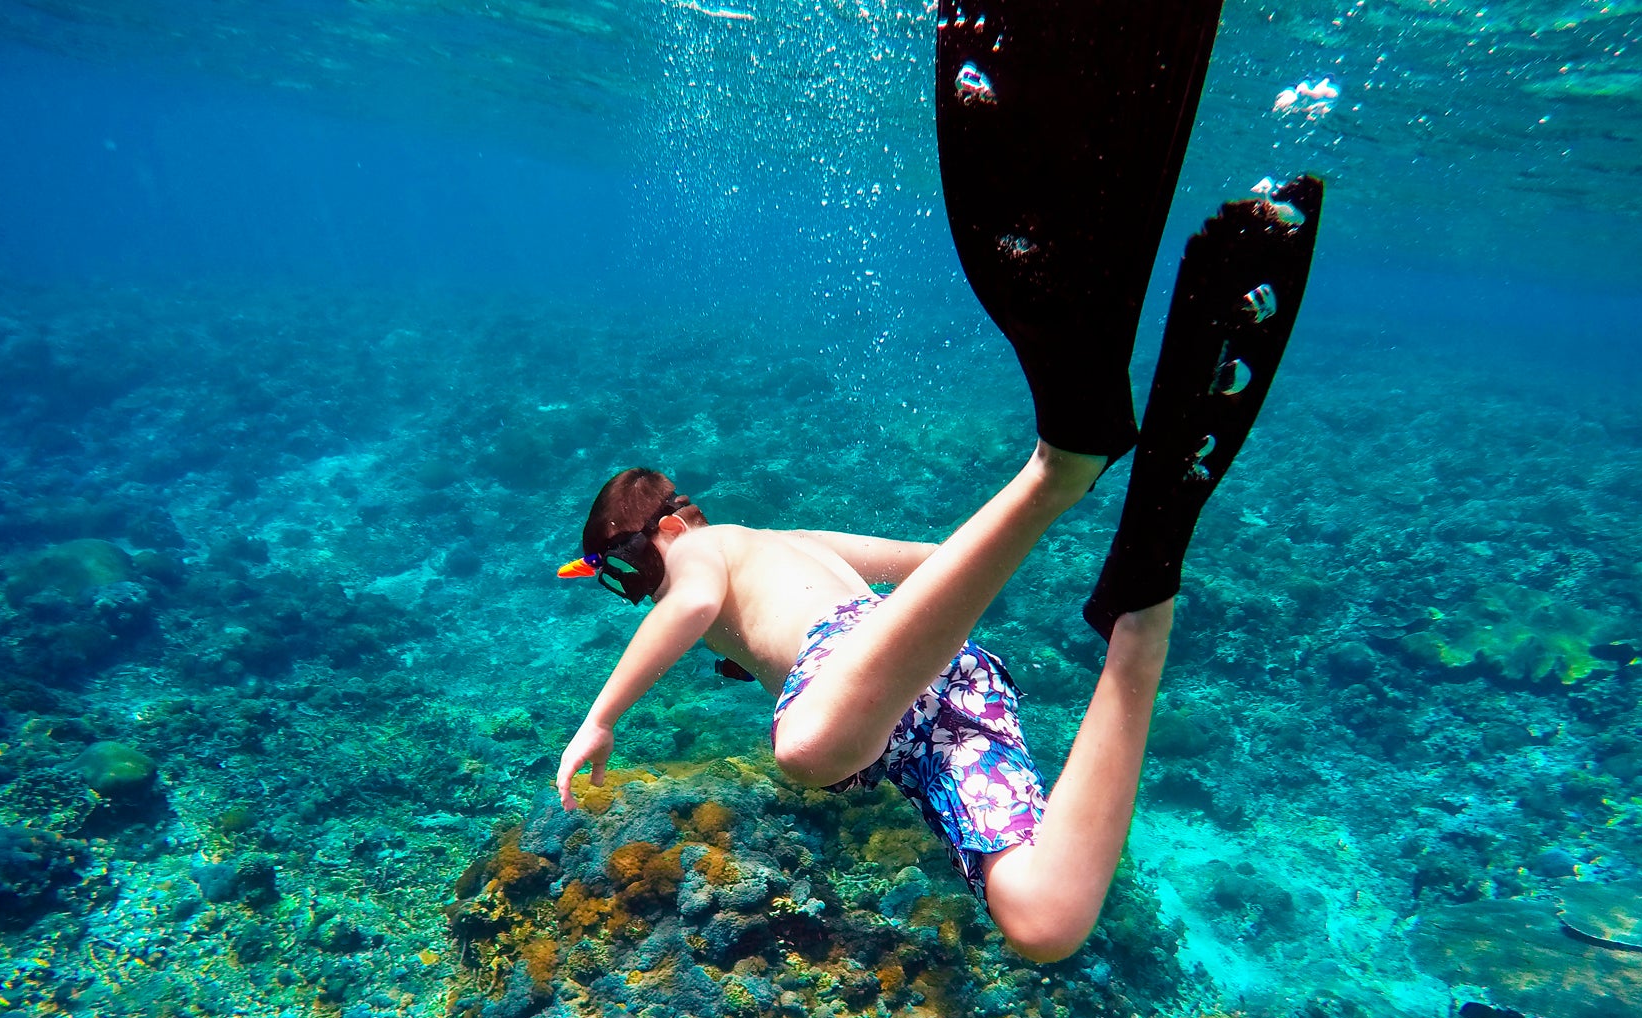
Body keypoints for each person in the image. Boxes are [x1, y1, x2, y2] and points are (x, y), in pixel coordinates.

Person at [554, 0, 1323, 962]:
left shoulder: (705, 552)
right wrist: (1014, 556)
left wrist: (601, 716)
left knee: (803, 752)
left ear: (662, 530)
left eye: (626, 565)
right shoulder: (795, 543)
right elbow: (933, 564)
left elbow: (687, 605)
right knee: (1044, 922)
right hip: (931, 696)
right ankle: (1142, 619)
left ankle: (1061, 466)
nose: (642, 590)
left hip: (869, 687)